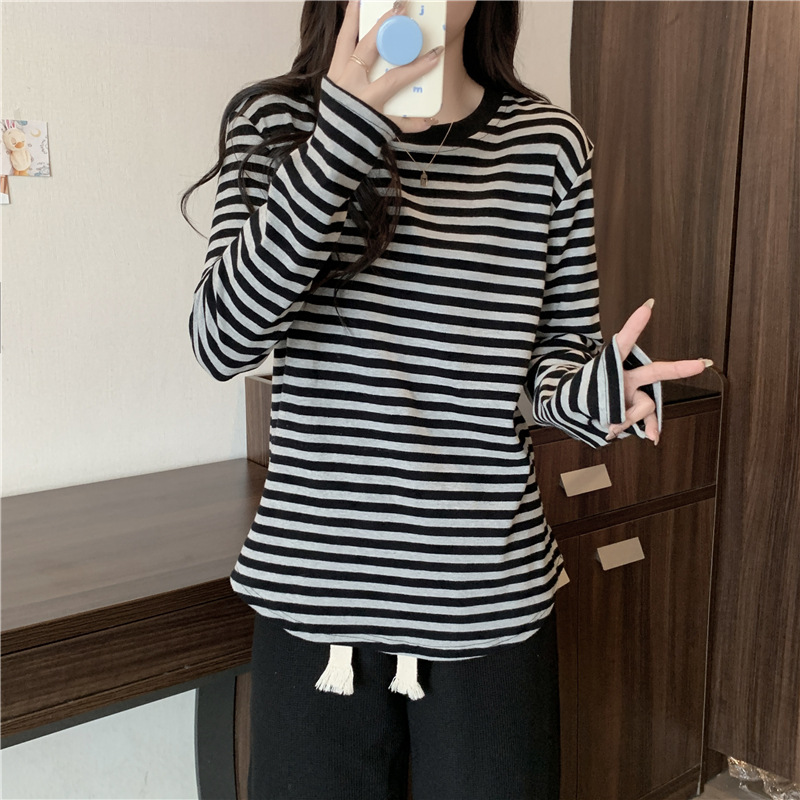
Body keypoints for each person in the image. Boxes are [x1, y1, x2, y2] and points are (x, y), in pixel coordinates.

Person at [183, 1, 711, 797]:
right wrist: (343, 135)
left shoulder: (549, 146)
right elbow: (221, 339)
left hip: (486, 594)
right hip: (317, 599)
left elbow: (549, 367)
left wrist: (590, 395)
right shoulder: (276, 122)